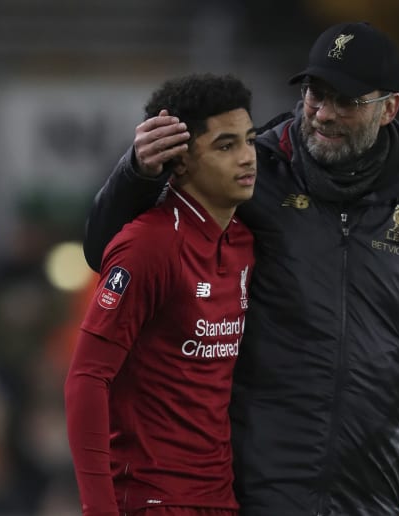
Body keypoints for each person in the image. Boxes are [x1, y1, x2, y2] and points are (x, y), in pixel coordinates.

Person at [83, 22, 399, 516]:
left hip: (368, 498)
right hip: (248, 494)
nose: (323, 113)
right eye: (315, 94)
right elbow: (110, 250)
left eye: (345, 101)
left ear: (389, 108)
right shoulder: (252, 175)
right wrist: (136, 174)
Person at [65, 73, 257, 516]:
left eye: (249, 140)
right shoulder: (149, 245)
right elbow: (86, 378)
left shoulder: (244, 242)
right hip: (152, 500)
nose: (248, 157)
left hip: (220, 500)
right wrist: (99, 509)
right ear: (181, 161)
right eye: (226, 146)